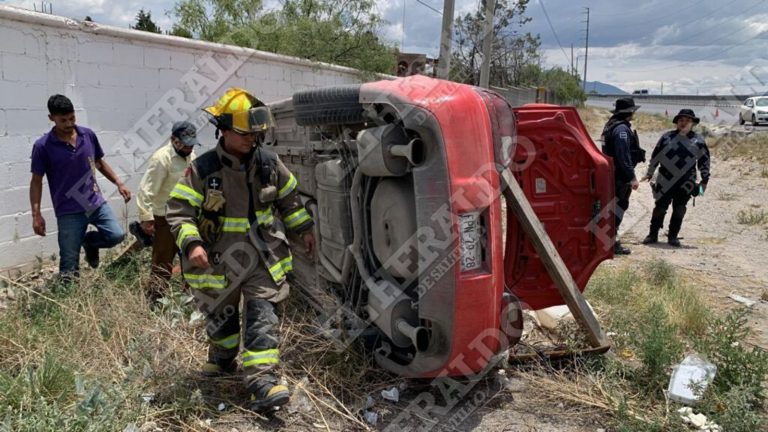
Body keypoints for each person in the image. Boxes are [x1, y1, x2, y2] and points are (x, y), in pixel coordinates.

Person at [166, 88, 315, 411]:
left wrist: (303, 229)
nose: (252, 140)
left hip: (264, 257)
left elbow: (289, 198)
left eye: (256, 134)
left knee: (263, 314)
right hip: (218, 261)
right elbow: (179, 211)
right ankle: (222, 359)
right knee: (222, 320)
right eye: (245, 134)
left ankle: (262, 381)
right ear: (224, 130)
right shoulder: (203, 170)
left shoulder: (268, 163)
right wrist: (192, 244)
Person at [30, 94, 130, 277]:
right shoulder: (43, 146)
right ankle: (69, 297)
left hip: (95, 203)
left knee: (116, 235)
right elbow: (36, 181)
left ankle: (90, 243)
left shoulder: (87, 135)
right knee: (69, 260)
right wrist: (36, 214)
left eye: (72, 118)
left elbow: (99, 162)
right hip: (68, 210)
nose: (69, 124)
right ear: (51, 118)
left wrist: (118, 182)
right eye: (63, 120)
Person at [135, 121, 199, 303]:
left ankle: (190, 300)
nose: (189, 147)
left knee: (190, 259)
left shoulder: (191, 156)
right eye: (185, 143)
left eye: (192, 143)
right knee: (162, 262)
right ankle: (155, 302)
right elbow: (146, 190)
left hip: (187, 216)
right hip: (164, 218)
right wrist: (147, 218)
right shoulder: (162, 159)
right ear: (173, 140)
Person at [640, 109, 710, 247]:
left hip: (686, 181)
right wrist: (650, 173)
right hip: (664, 179)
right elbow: (656, 156)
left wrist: (704, 181)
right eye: (681, 120)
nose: (683, 123)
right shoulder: (667, 137)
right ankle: (652, 234)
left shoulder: (699, 141)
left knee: (679, 208)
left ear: (692, 123)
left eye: (687, 121)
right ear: (677, 123)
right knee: (660, 207)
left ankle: (673, 236)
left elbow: (704, 161)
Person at [601, 97, 645, 255]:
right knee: (618, 208)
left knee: (613, 208)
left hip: (612, 174)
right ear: (630, 112)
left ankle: (608, 240)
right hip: (619, 177)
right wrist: (631, 177)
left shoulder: (611, 125)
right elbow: (623, 156)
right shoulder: (621, 130)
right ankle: (611, 243)